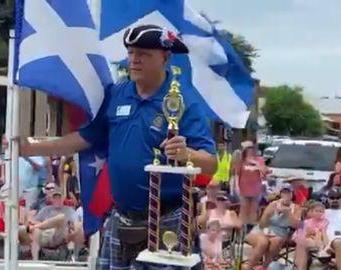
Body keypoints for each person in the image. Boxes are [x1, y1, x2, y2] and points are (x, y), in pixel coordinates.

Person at [19, 24, 216, 269]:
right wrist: (31, 147)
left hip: (167, 221)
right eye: (131, 53)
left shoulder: (183, 99)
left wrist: (187, 154)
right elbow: (86, 137)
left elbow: (211, 162)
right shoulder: (117, 93)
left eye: (144, 54)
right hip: (121, 217)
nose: (134, 60)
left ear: (164, 57)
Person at [294, 189, 341, 270]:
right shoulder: (321, 211)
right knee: (301, 242)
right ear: (328, 199)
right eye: (332, 198)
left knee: (338, 240)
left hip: (340, 241)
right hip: (321, 242)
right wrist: (301, 233)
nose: (335, 200)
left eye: (338, 197)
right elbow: (302, 222)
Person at [243, 183, 301, 270]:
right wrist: (267, 214)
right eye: (284, 192)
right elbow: (262, 225)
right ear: (280, 194)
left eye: (288, 193)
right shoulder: (273, 204)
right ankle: (249, 267)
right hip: (262, 231)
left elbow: (297, 225)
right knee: (263, 242)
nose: (286, 195)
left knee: (276, 241)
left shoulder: (296, 208)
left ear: (292, 194)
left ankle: (264, 267)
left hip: (280, 233)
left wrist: (288, 213)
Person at [27, 191, 84, 260]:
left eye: (59, 198)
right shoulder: (45, 210)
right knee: (35, 231)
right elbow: (34, 221)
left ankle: (73, 257)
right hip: (45, 234)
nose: (57, 200)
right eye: (55, 198)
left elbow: (76, 223)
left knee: (61, 218)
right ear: (52, 199)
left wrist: (71, 232)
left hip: (60, 235)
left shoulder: (69, 210)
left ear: (63, 199)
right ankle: (35, 260)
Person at [235, 140, 269, 226]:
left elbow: (265, 172)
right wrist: (236, 187)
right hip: (243, 188)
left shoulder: (259, 160)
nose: (250, 151)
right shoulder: (241, 161)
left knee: (253, 209)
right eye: (248, 149)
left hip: (255, 189)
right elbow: (237, 175)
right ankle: (242, 227)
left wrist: (256, 163)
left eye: (252, 148)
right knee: (244, 208)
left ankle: (251, 228)